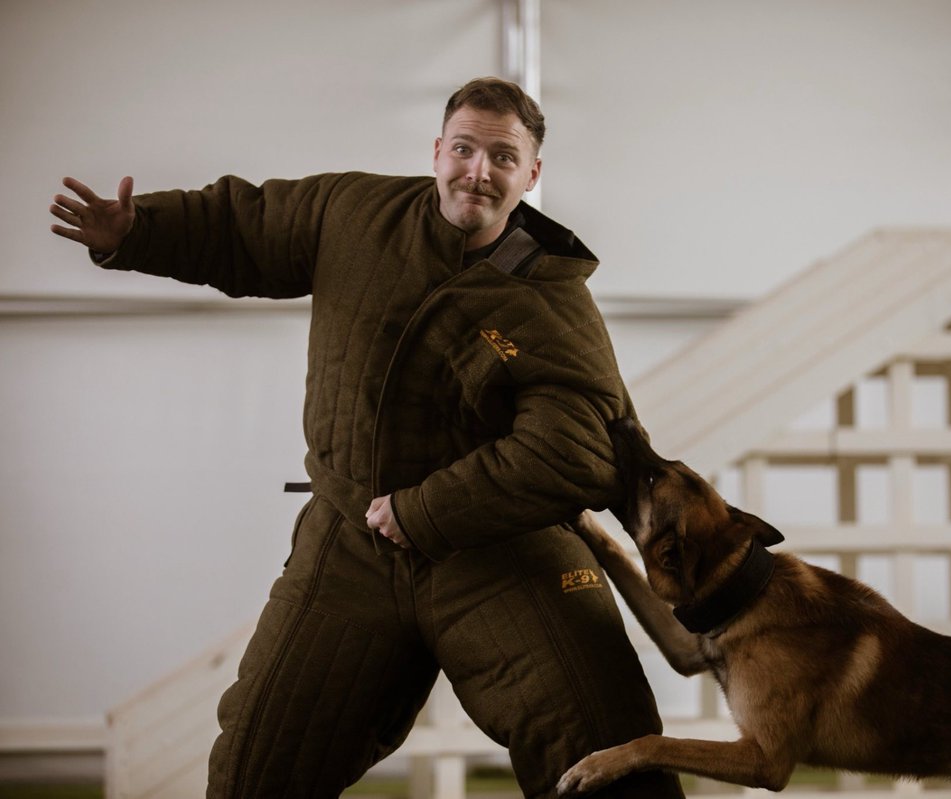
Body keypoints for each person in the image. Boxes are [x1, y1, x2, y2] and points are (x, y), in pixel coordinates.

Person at [50, 77, 684, 799]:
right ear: (437, 151)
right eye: (465, 149)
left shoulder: (552, 295)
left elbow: (576, 448)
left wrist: (425, 510)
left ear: (531, 174)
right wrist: (137, 232)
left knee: (612, 762)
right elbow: (243, 226)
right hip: (350, 543)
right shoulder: (352, 213)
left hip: (502, 549)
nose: (478, 171)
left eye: (503, 158)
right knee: (254, 773)